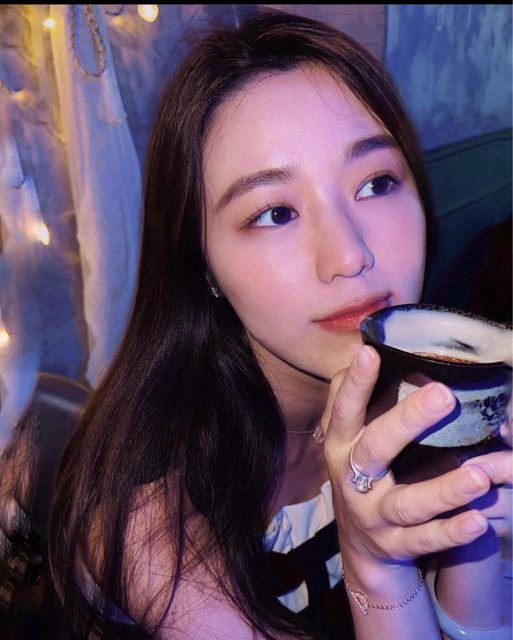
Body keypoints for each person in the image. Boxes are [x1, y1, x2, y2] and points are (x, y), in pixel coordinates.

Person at [48, 8, 512, 640]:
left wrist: (477, 531)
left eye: (376, 183)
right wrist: (376, 569)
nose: (349, 256)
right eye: (273, 214)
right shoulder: (150, 516)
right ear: (202, 263)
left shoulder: (424, 400)